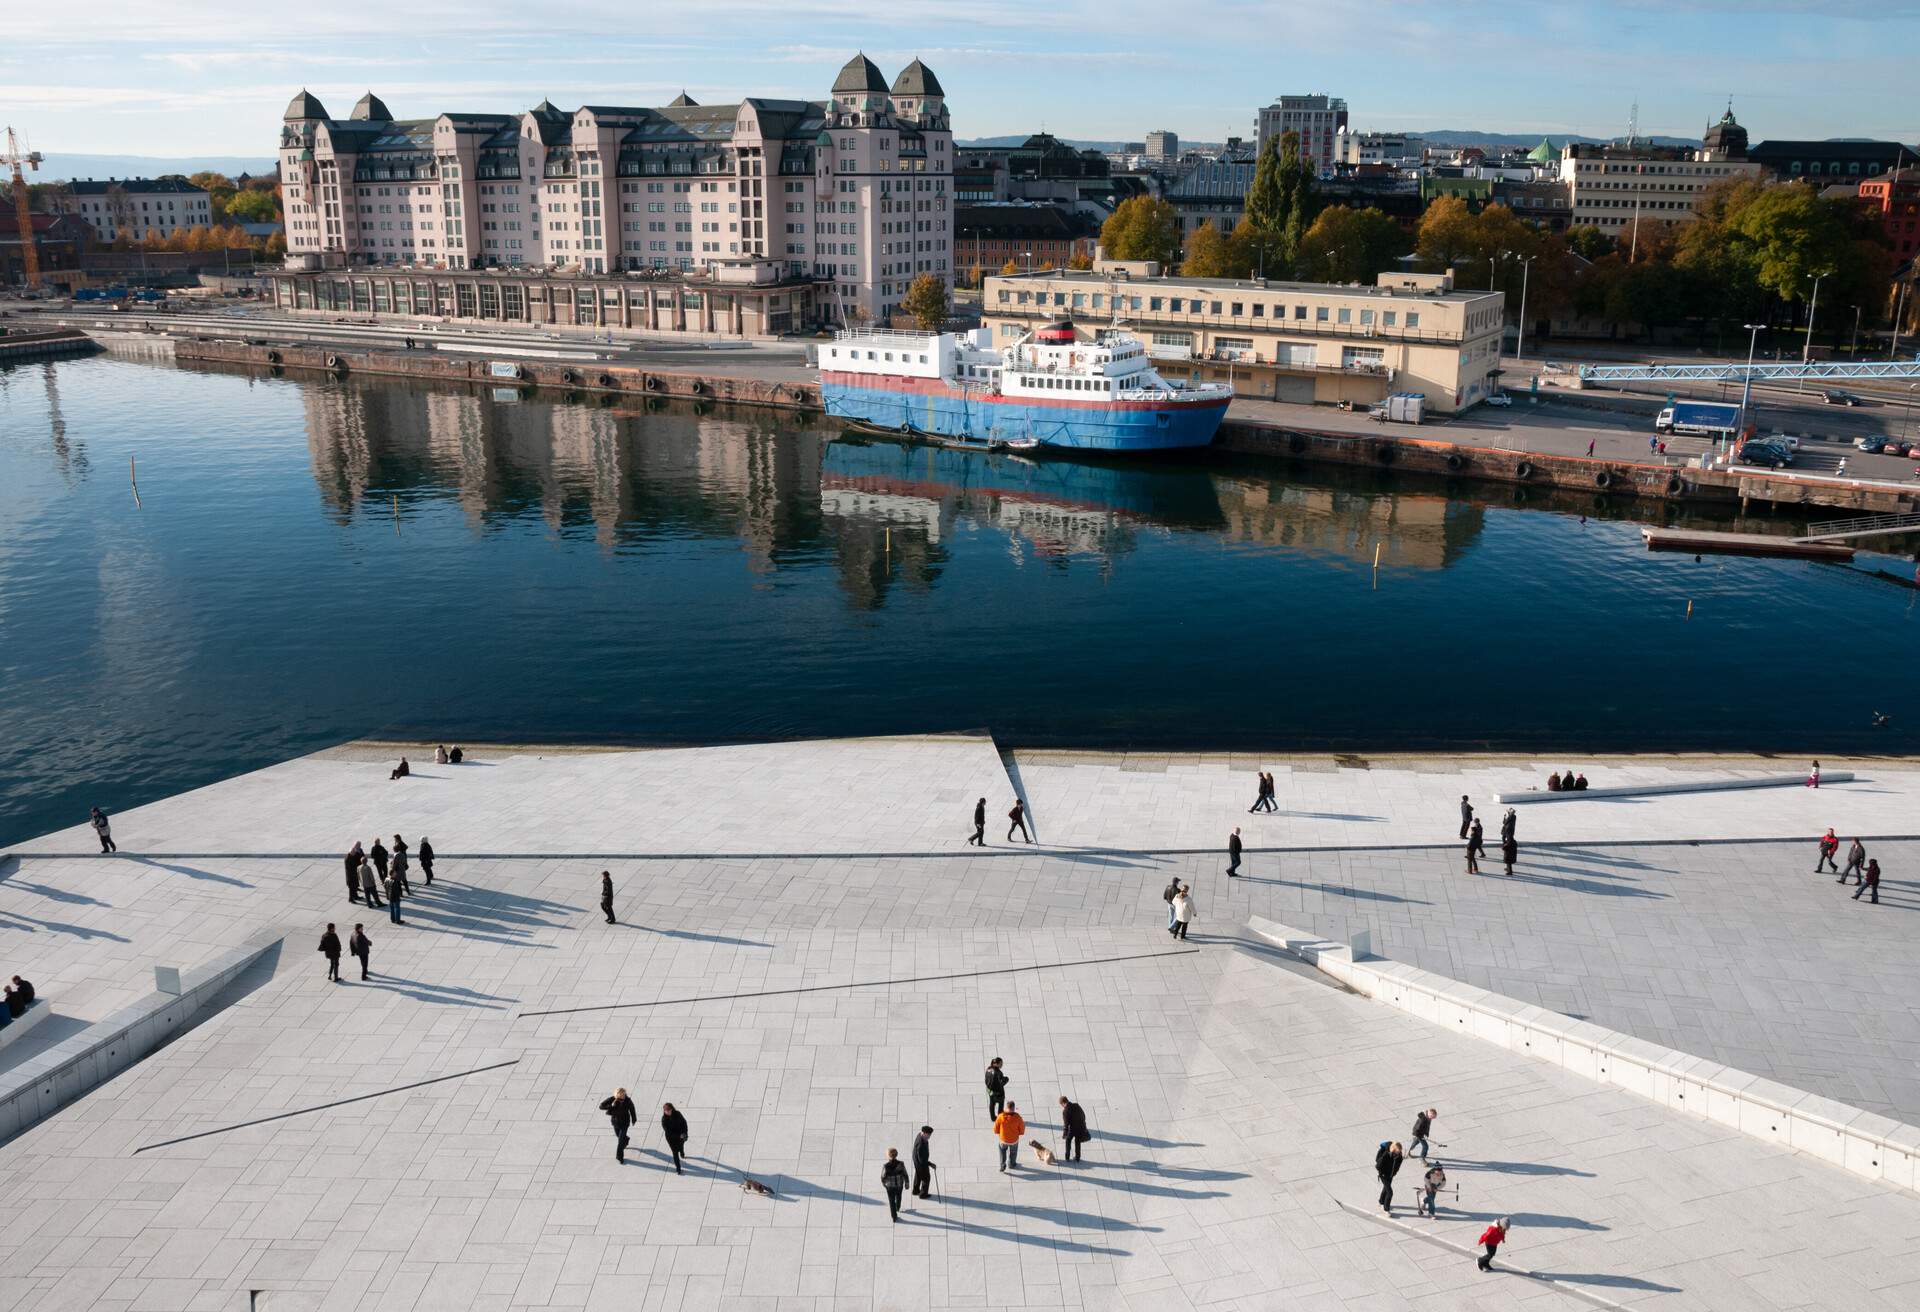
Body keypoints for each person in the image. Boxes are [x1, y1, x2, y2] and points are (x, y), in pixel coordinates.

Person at [599, 1088, 637, 1163]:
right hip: (615, 1122)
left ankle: (619, 1157)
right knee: (618, 1135)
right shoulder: (612, 1099)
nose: (624, 1096)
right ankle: (626, 1140)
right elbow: (601, 1106)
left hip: (625, 1122)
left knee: (620, 1141)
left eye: (624, 1094)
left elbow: (632, 1109)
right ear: (618, 1095)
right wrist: (611, 1106)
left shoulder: (628, 1100)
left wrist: (634, 1119)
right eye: (622, 1095)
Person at [994, 1101, 1025, 1172]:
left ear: (1006, 1107)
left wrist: (998, 1132)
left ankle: (1002, 1165)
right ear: (1013, 1108)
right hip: (1014, 1140)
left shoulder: (1001, 1116)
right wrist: (1020, 1133)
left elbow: (996, 1128)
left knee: (1002, 1151)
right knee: (1013, 1152)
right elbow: (1022, 1128)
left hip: (1003, 1139)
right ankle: (1012, 1164)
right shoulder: (1017, 1117)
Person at [660, 1102, 690, 1174]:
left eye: (669, 1110)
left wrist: (685, 1132)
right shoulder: (664, 1119)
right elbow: (668, 1132)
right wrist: (679, 1135)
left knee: (681, 1145)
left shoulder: (677, 1114)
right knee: (675, 1152)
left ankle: (682, 1153)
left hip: (681, 1135)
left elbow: (684, 1123)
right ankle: (678, 1169)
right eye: (666, 1110)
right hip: (671, 1139)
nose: (667, 1112)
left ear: (672, 1109)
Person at [1375, 1140, 1404, 1215]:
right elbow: (1378, 1165)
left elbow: (1398, 1165)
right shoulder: (1386, 1154)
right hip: (1383, 1175)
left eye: (1400, 1151)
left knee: (1386, 1188)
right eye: (1398, 1151)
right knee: (1390, 1192)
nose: (1399, 1153)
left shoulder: (1399, 1156)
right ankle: (1386, 1209)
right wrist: (1382, 1172)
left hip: (1390, 1175)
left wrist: (1394, 1172)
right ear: (1394, 1149)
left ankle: (1381, 1202)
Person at [1059, 1096, 1089, 1162]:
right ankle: (1077, 1157)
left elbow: (1066, 1124)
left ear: (1063, 1103)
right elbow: (1083, 1115)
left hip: (1072, 1129)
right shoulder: (1076, 1105)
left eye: (1061, 1105)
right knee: (1077, 1142)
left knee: (1068, 1141)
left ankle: (1067, 1157)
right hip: (1080, 1128)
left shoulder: (1065, 1111)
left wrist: (1064, 1134)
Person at [881, 1149, 908, 1221]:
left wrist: (885, 1184)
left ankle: (894, 1217)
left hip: (890, 1187)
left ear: (888, 1156)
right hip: (899, 1185)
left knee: (891, 1201)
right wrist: (907, 1183)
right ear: (896, 1155)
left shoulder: (886, 1166)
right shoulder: (901, 1164)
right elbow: (905, 1174)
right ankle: (898, 1207)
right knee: (899, 1196)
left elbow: (883, 1177)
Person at [911, 1126, 935, 1199]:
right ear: (924, 1133)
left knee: (918, 1174)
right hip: (921, 1163)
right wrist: (930, 1164)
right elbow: (922, 1160)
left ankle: (915, 1190)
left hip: (916, 1160)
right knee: (926, 1178)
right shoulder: (921, 1144)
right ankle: (923, 1194)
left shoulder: (920, 1135)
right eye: (928, 1135)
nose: (930, 1136)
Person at [985, 1058, 1009, 1123]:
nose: (1002, 1065)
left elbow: (986, 1079)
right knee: (1001, 1105)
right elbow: (1001, 1083)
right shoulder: (998, 1073)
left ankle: (993, 1118)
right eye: (1000, 1064)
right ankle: (1000, 1118)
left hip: (990, 1091)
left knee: (992, 1104)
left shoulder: (988, 1069)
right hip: (998, 1093)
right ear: (996, 1064)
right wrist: (1006, 1079)